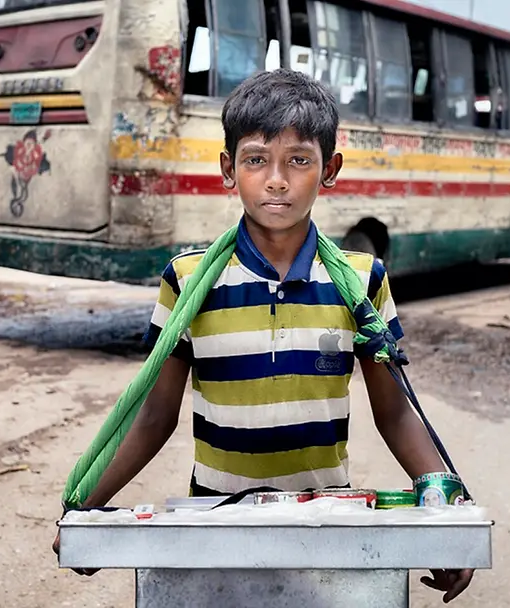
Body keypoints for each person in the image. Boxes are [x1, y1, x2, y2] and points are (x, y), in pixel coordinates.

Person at [51, 68, 474, 603]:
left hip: (326, 526)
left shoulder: (361, 282)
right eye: (256, 160)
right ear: (229, 170)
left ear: (330, 170)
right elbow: (154, 417)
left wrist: (447, 517)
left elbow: (394, 413)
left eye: (299, 160)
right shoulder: (188, 282)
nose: (277, 180)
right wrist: (86, 510)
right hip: (214, 524)